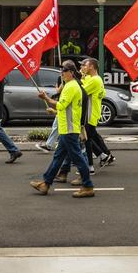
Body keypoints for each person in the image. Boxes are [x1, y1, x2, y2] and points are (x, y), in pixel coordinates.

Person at [30, 61, 95, 198]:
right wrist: (54, 112)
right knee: (58, 157)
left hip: (69, 129)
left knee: (77, 157)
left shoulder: (71, 87)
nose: (62, 73)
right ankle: (46, 183)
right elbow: (67, 109)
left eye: (64, 71)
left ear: (71, 72)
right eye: (61, 71)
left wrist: (46, 97)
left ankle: (88, 186)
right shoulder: (72, 85)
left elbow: (61, 105)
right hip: (68, 128)